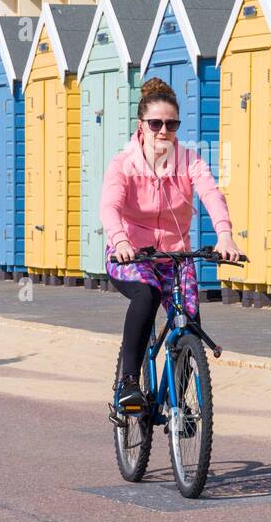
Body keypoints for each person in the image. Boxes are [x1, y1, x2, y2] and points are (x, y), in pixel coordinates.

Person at [99, 78, 242, 412]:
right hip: (131, 255)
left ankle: (178, 405)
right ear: (141, 126)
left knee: (190, 323)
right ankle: (129, 385)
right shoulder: (123, 164)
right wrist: (120, 240)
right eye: (156, 124)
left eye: (171, 124)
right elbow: (110, 206)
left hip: (175, 258)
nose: (164, 131)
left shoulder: (189, 160)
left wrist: (224, 235)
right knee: (145, 295)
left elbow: (211, 194)